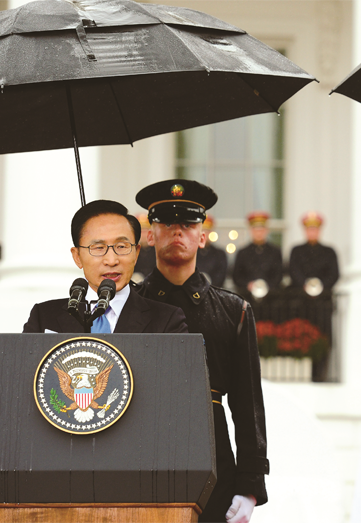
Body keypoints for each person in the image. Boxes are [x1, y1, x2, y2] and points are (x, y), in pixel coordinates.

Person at [135, 179, 268, 523]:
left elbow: (247, 402)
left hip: (213, 459)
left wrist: (250, 483)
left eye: (188, 224)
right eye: (165, 223)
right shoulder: (127, 306)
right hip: (138, 454)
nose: (177, 231)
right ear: (150, 234)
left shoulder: (232, 310)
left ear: (202, 236)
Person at [23, 200, 187, 334]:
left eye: (121, 247)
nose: (111, 260)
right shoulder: (44, 317)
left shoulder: (167, 321)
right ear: (77, 257)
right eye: (98, 248)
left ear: (136, 253)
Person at [232, 211, 282, 296]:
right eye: (255, 229)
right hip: (247, 297)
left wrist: (267, 286)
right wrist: (248, 285)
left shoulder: (275, 252)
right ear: (250, 230)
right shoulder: (243, 253)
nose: (259, 233)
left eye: (261, 229)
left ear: (267, 230)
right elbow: (237, 276)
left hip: (271, 298)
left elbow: (278, 274)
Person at [288, 211, 339, 294]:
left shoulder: (329, 252)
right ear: (305, 231)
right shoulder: (296, 251)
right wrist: (305, 285)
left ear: (319, 231)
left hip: (323, 295)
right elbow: (293, 271)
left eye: (315, 229)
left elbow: (333, 274)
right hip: (300, 295)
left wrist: (320, 286)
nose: (312, 232)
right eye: (309, 229)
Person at [196, 214, 228, 287]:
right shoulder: (191, 252)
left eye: (207, 231)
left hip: (214, 292)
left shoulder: (219, 254)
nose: (204, 234)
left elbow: (221, 275)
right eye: (202, 230)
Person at [132, 213, 156, 283]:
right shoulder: (131, 251)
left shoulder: (158, 251)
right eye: (141, 231)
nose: (143, 234)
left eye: (146, 231)